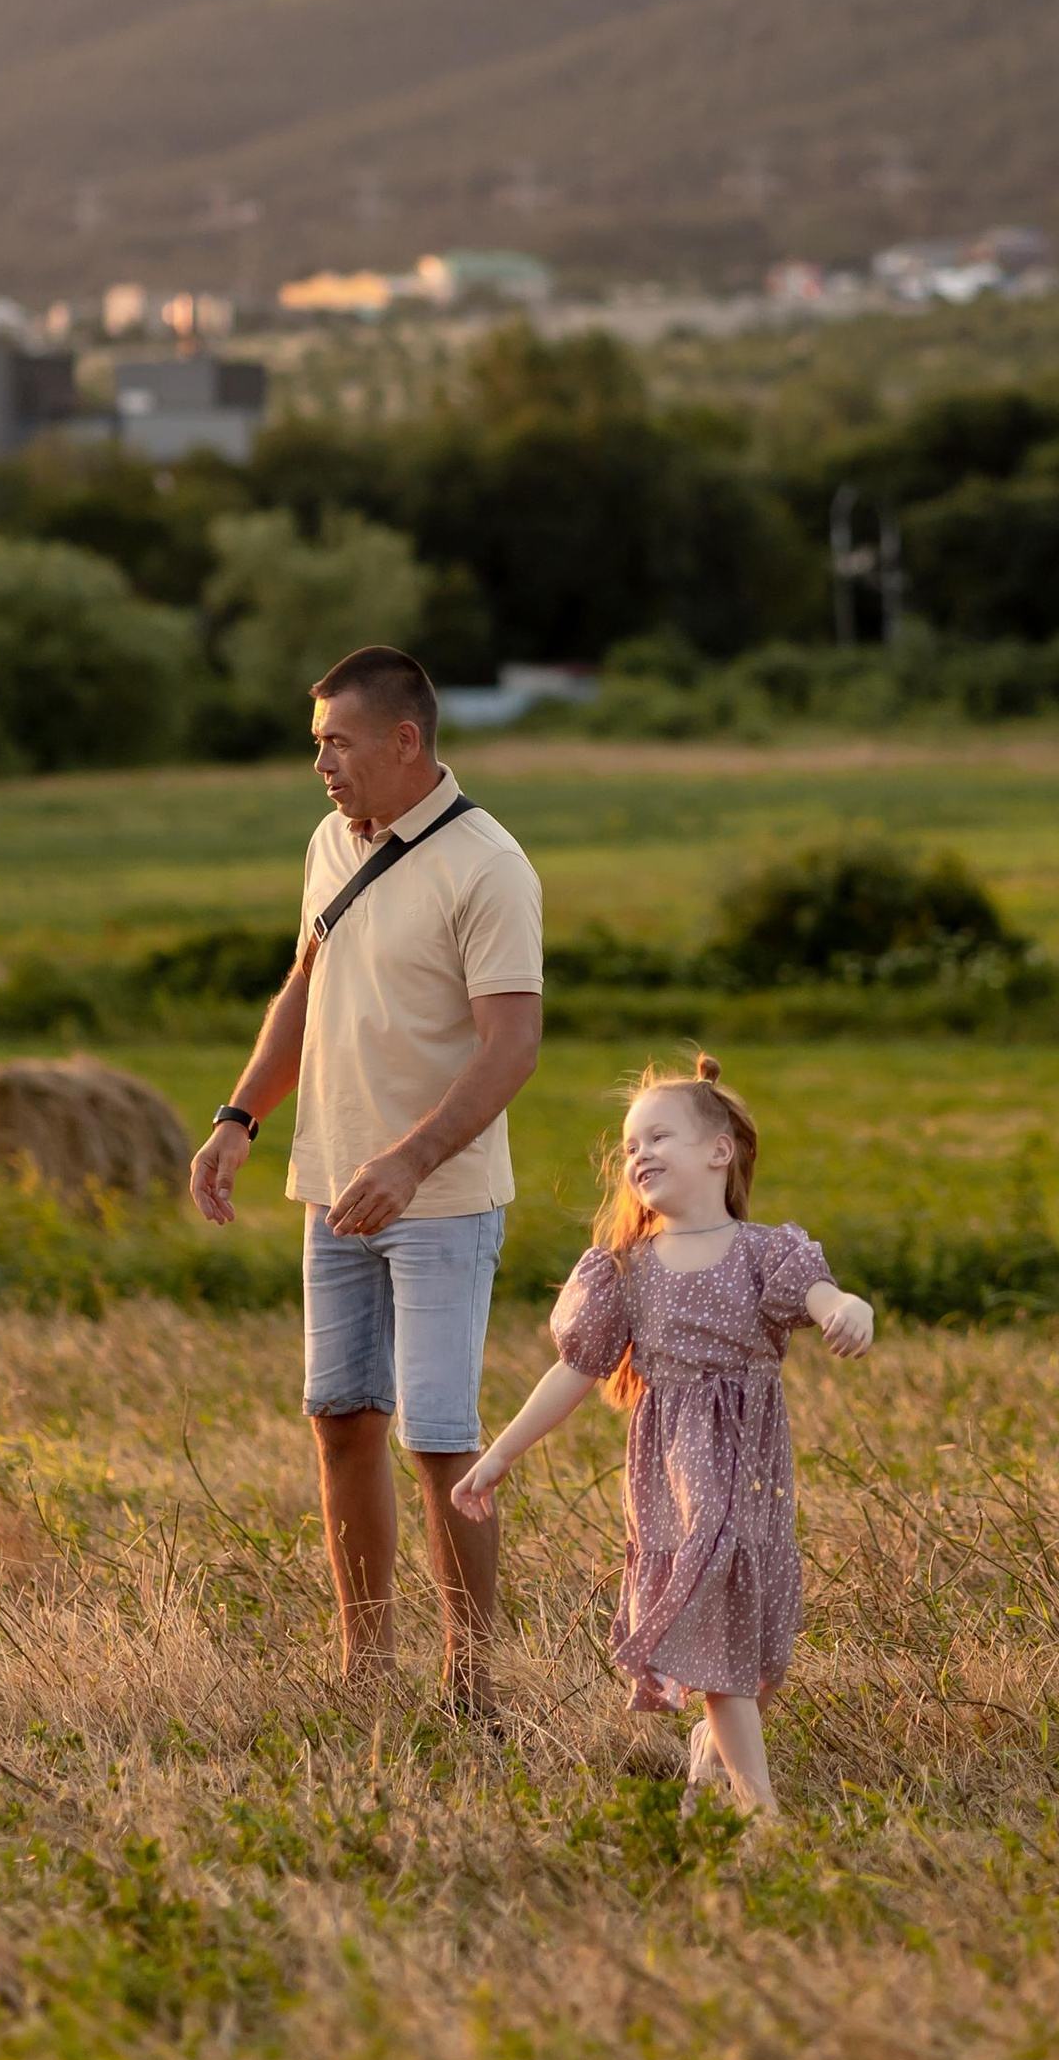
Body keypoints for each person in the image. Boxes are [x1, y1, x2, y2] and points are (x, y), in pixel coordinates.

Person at [189, 645, 543, 1707]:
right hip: (332, 1189)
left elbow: (512, 1047)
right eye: (316, 745)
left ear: (404, 741)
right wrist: (240, 1116)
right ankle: (366, 1671)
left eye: (337, 744)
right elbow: (305, 985)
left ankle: (472, 1686)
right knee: (341, 1418)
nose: (322, 766)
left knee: (439, 1441)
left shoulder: (488, 866)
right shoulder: (328, 844)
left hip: (440, 1200)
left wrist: (412, 1158)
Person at [453, 1056, 874, 1817]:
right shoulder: (626, 1271)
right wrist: (501, 1452)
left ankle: (712, 1755)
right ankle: (758, 1811)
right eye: (629, 1146)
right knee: (717, 1635)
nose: (638, 1154)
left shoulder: (765, 1252)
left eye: (658, 1137)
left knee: (758, 1649)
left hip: (753, 1470)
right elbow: (573, 1372)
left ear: (720, 1151)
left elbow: (822, 1296)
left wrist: (850, 1308)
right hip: (678, 1476)